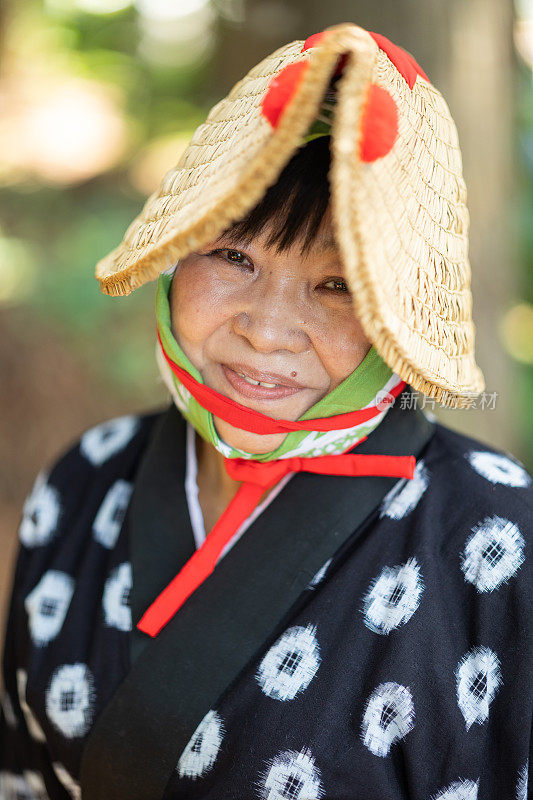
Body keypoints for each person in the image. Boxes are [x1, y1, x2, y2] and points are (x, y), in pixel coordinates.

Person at [1, 21, 531, 800]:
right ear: (175, 254)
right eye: (232, 255)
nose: (266, 329)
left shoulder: (496, 532)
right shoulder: (84, 480)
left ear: (398, 316)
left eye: (339, 285)